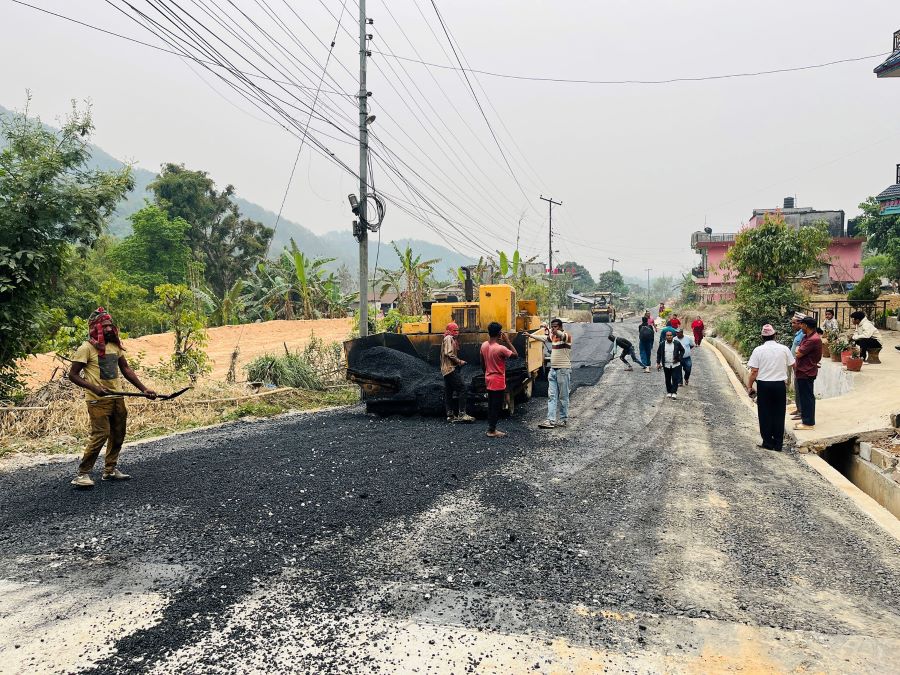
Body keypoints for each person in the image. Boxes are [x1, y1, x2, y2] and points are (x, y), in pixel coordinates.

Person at [68, 308, 157, 487]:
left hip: (117, 397)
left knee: (118, 433)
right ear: (95, 327)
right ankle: (82, 474)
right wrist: (94, 387)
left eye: (110, 326)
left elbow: (125, 369)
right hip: (97, 399)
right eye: (104, 326)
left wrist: (144, 389)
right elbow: (73, 375)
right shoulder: (86, 348)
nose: (108, 329)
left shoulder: (115, 346)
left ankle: (109, 470)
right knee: (101, 434)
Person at [747, 324, 795, 452]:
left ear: (762, 337)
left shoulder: (758, 350)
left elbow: (754, 371)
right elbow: (793, 364)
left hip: (764, 385)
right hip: (779, 385)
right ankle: (778, 444)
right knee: (779, 413)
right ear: (775, 335)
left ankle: (768, 442)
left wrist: (749, 386)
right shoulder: (784, 349)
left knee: (765, 413)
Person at [530, 318, 572, 429]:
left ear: (560, 327)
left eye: (555, 326)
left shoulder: (566, 336)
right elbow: (544, 338)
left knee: (563, 396)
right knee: (552, 396)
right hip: (553, 370)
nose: (553, 328)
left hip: (563, 370)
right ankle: (550, 420)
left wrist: (553, 330)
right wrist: (531, 336)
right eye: (552, 326)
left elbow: (562, 335)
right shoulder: (553, 337)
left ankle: (563, 419)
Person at [480, 322, 518, 438]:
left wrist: (486, 373)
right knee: (496, 405)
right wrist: (508, 341)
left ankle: (491, 427)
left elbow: (482, 363)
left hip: (489, 378)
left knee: (491, 404)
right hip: (498, 380)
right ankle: (492, 430)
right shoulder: (501, 348)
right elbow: (516, 355)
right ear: (500, 334)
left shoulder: (484, 345)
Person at [440, 321, 474, 423]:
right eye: (454, 330)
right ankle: (462, 414)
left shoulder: (449, 338)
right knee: (462, 388)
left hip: (446, 370)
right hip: (450, 369)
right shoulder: (449, 338)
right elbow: (448, 353)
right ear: (449, 331)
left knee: (448, 392)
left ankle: (450, 415)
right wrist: (459, 362)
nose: (457, 332)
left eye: (457, 330)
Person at [792, 317, 822, 431]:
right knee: (804, 397)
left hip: (806, 371)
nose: (800, 327)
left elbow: (798, 353)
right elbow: (798, 351)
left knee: (807, 397)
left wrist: (798, 350)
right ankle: (805, 420)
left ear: (806, 326)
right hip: (803, 370)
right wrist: (798, 350)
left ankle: (808, 423)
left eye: (802, 325)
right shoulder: (807, 337)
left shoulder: (812, 339)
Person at [656, 330, 685, 399]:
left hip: (676, 364)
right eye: (668, 335)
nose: (669, 337)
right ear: (665, 336)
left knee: (675, 378)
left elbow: (682, 350)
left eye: (670, 335)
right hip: (666, 365)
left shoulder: (677, 343)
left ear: (672, 336)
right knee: (668, 379)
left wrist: (678, 359)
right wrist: (658, 363)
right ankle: (669, 392)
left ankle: (674, 392)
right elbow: (659, 353)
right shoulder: (662, 344)